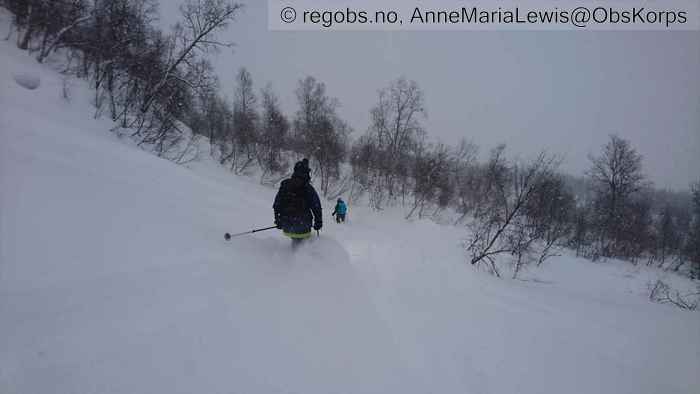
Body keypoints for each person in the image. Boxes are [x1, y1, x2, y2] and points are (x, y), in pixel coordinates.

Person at [273, 158, 322, 247]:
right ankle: (299, 257)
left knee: (296, 239)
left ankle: (294, 255)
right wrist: (318, 222)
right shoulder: (308, 188)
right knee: (301, 240)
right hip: (304, 227)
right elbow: (316, 206)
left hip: (287, 226)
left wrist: (278, 219)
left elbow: (277, 204)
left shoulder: (285, 185)